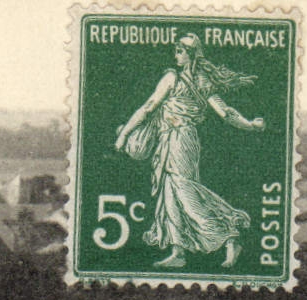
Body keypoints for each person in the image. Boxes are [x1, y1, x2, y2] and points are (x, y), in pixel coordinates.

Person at [114, 33, 266, 269]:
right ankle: (178, 252)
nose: (176, 54)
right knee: (170, 194)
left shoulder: (173, 78)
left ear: (191, 53)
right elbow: (225, 112)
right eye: (175, 50)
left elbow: (149, 106)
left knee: (184, 191)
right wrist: (250, 124)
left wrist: (125, 134)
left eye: (180, 50)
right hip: (172, 139)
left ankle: (229, 236)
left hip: (181, 139)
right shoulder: (199, 80)